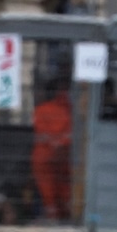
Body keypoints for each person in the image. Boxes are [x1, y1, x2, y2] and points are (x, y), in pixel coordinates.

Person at [32, 82, 74, 222]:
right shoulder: (71, 112)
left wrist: (52, 143)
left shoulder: (40, 110)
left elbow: (41, 134)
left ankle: (52, 216)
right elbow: (72, 135)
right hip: (65, 155)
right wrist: (60, 143)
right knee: (65, 189)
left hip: (44, 155)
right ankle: (66, 216)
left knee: (48, 192)